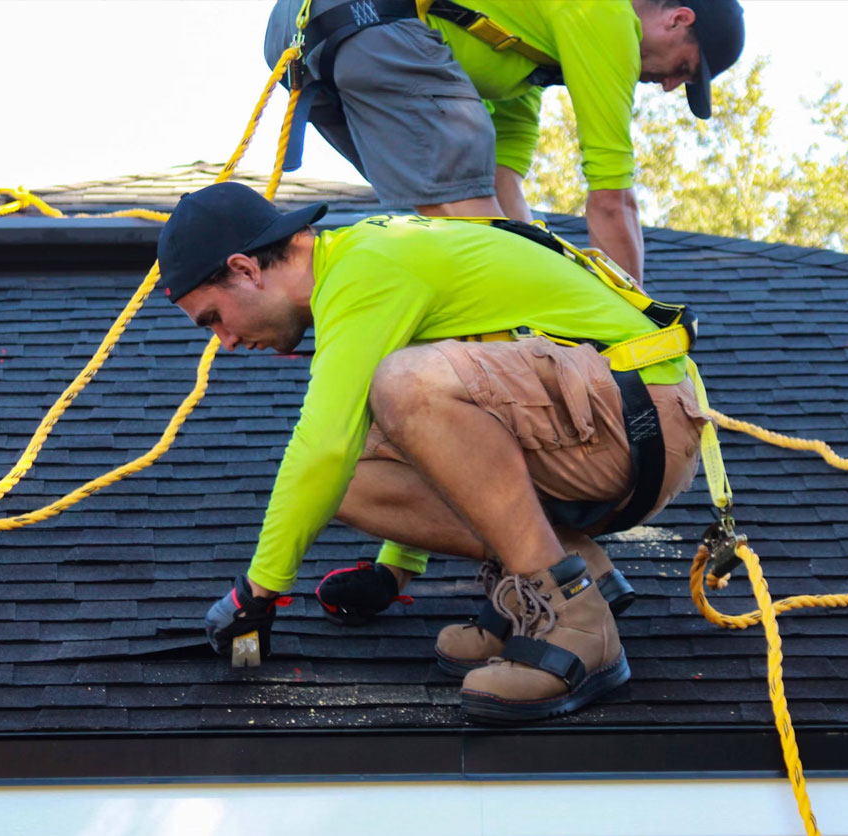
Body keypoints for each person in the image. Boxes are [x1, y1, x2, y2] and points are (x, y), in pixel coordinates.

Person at [157, 182, 707, 721]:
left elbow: (323, 444)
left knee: (389, 393)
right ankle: (564, 570)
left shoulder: (366, 267)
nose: (224, 342)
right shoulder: (365, 259)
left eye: (213, 318)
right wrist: (393, 570)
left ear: (245, 269)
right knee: (349, 466)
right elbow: (412, 440)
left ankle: (579, 624)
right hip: (603, 421)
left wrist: (256, 593)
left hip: (637, 413)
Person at [263, 0, 745, 284]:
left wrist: (543, 274)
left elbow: (499, 184)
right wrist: (634, 330)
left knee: (464, 241)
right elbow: (613, 202)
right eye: (683, 69)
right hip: (370, 20)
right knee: (486, 257)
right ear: (679, 19)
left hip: (311, 41)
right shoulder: (608, 16)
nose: (666, 87)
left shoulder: (525, 54)